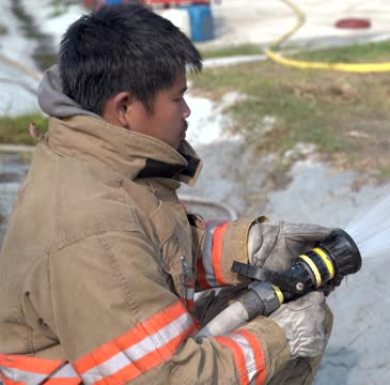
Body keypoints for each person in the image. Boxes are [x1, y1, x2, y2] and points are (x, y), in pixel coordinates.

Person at [0, 4, 334, 384]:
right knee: (288, 333)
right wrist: (282, 339)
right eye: (177, 98)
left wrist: (253, 247)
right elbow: (167, 378)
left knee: (278, 305)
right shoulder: (92, 231)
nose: (188, 111)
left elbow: (153, 247)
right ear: (125, 107)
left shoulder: (96, 161)